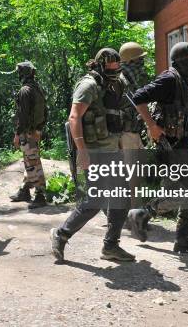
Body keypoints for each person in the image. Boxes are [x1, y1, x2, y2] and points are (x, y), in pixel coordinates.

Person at [50, 49, 135, 263]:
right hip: (94, 151)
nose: (114, 72)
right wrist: (82, 151)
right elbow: (74, 117)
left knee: (122, 196)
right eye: (110, 69)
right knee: (96, 199)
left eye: (117, 68)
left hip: (112, 149)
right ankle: (61, 234)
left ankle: (111, 246)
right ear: (99, 66)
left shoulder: (116, 84)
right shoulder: (88, 85)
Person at [127, 42, 188, 255]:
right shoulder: (168, 80)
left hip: (181, 145)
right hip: (170, 147)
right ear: (182, 61)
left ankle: (151, 219)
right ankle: (176, 234)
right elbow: (137, 97)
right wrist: (152, 125)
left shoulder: (182, 82)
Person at [9, 61, 48, 209]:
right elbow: (45, 111)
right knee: (30, 160)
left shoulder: (25, 90)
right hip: (35, 130)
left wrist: (18, 134)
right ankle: (25, 190)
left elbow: (23, 115)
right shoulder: (37, 88)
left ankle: (40, 195)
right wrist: (39, 129)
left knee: (32, 162)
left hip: (28, 132)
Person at [118, 42, 150, 210]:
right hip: (126, 133)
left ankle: (133, 208)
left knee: (139, 172)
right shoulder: (121, 81)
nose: (142, 64)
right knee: (131, 174)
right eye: (138, 61)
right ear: (130, 62)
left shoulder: (135, 79)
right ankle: (132, 211)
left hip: (137, 131)